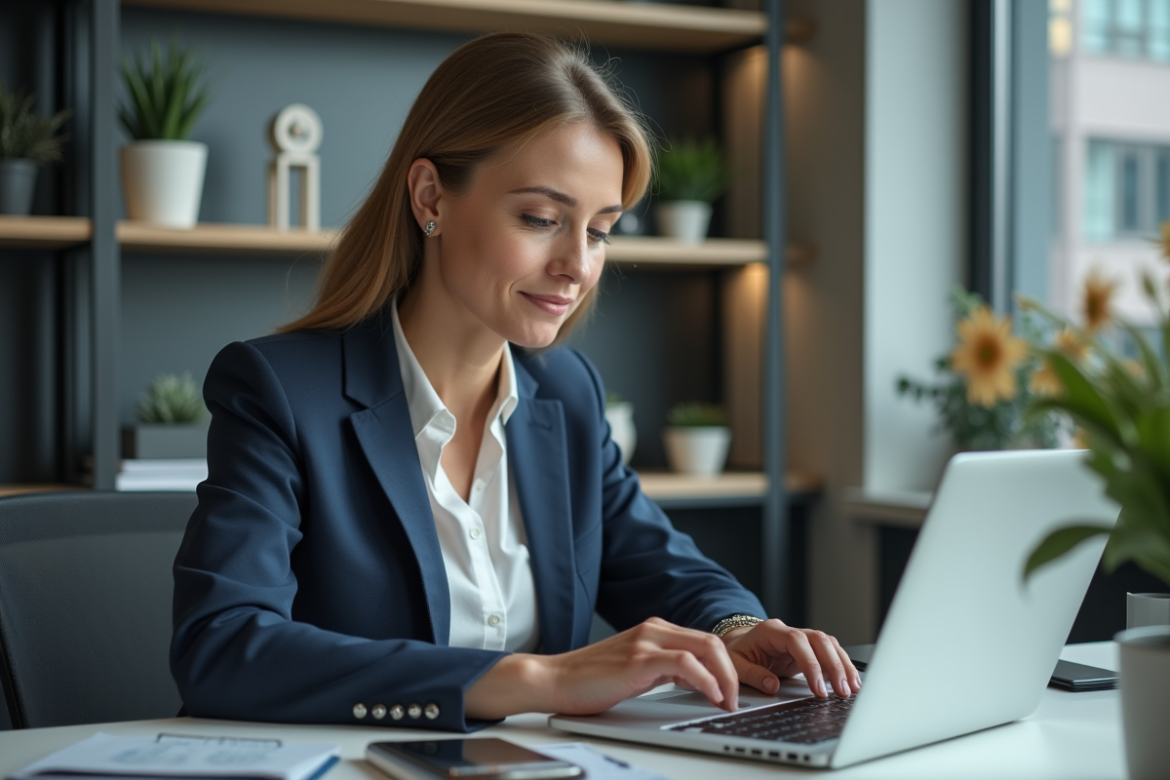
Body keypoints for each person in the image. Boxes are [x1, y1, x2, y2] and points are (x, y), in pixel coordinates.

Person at [171, 31, 860, 733]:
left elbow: (658, 562)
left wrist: (738, 626)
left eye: (599, 230)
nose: (577, 265)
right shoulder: (281, 391)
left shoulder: (566, 394)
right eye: (540, 219)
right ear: (430, 196)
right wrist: (541, 679)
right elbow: (222, 646)